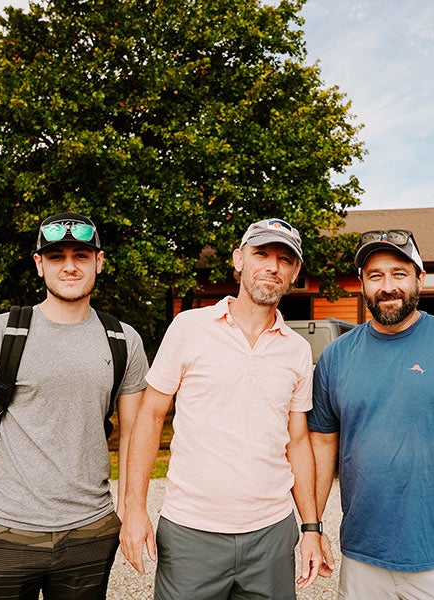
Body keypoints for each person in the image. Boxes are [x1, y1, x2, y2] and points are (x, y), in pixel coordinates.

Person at [0, 211, 150, 598]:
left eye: (81, 256)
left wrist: (128, 513)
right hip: (3, 531)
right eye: (56, 256)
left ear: (99, 262)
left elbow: (135, 439)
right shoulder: (0, 331)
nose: (69, 266)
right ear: (39, 265)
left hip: (90, 531)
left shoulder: (124, 340)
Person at [119, 218, 323, 600]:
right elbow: (149, 416)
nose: (272, 267)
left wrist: (311, 528)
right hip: (190, 531)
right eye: (261, 254)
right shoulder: (188, 327)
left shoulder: (296, 350)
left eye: (284, 259)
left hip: (271, 533)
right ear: (239, 260)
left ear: (294, 272)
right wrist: (134, 509)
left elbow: (298, 441)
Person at [308, 229, 434, 599]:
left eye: (399, 274)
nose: (388, 286)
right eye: (376, 276)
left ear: (420, 278)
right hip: (362, 555)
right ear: (362, 284)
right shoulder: (336, 357)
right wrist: (313, 527)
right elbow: (322, 443)